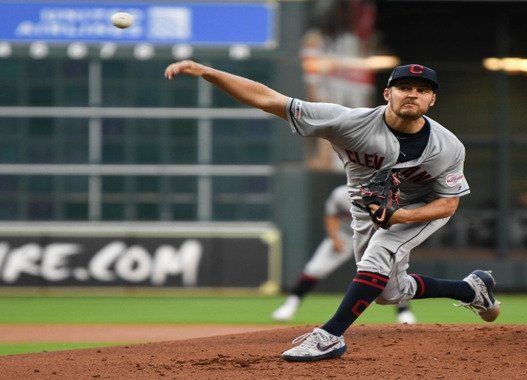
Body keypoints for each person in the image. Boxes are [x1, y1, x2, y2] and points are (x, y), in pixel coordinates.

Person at [164, 61, 501, 362]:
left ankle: (329, 336)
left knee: (380, 253)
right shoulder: (347, 122)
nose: (412, 94)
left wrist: (399, 217)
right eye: (404, 87)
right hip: (366, 210)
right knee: (388, 294)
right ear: (387, 93)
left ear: (432, 101)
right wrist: (208, 72)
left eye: (422, 90)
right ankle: (471, 289)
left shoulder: (447, 147)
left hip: (420, 208)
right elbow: (268, 100)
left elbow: (449, 203)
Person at [272, 184, 417, 324]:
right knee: (316, 269)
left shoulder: (388, 194)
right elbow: (332, 215)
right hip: (346, 236)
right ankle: (291, 304)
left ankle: (403, 311)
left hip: (379, 236)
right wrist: (334, 237)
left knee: (393, 274)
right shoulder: (341, 194)